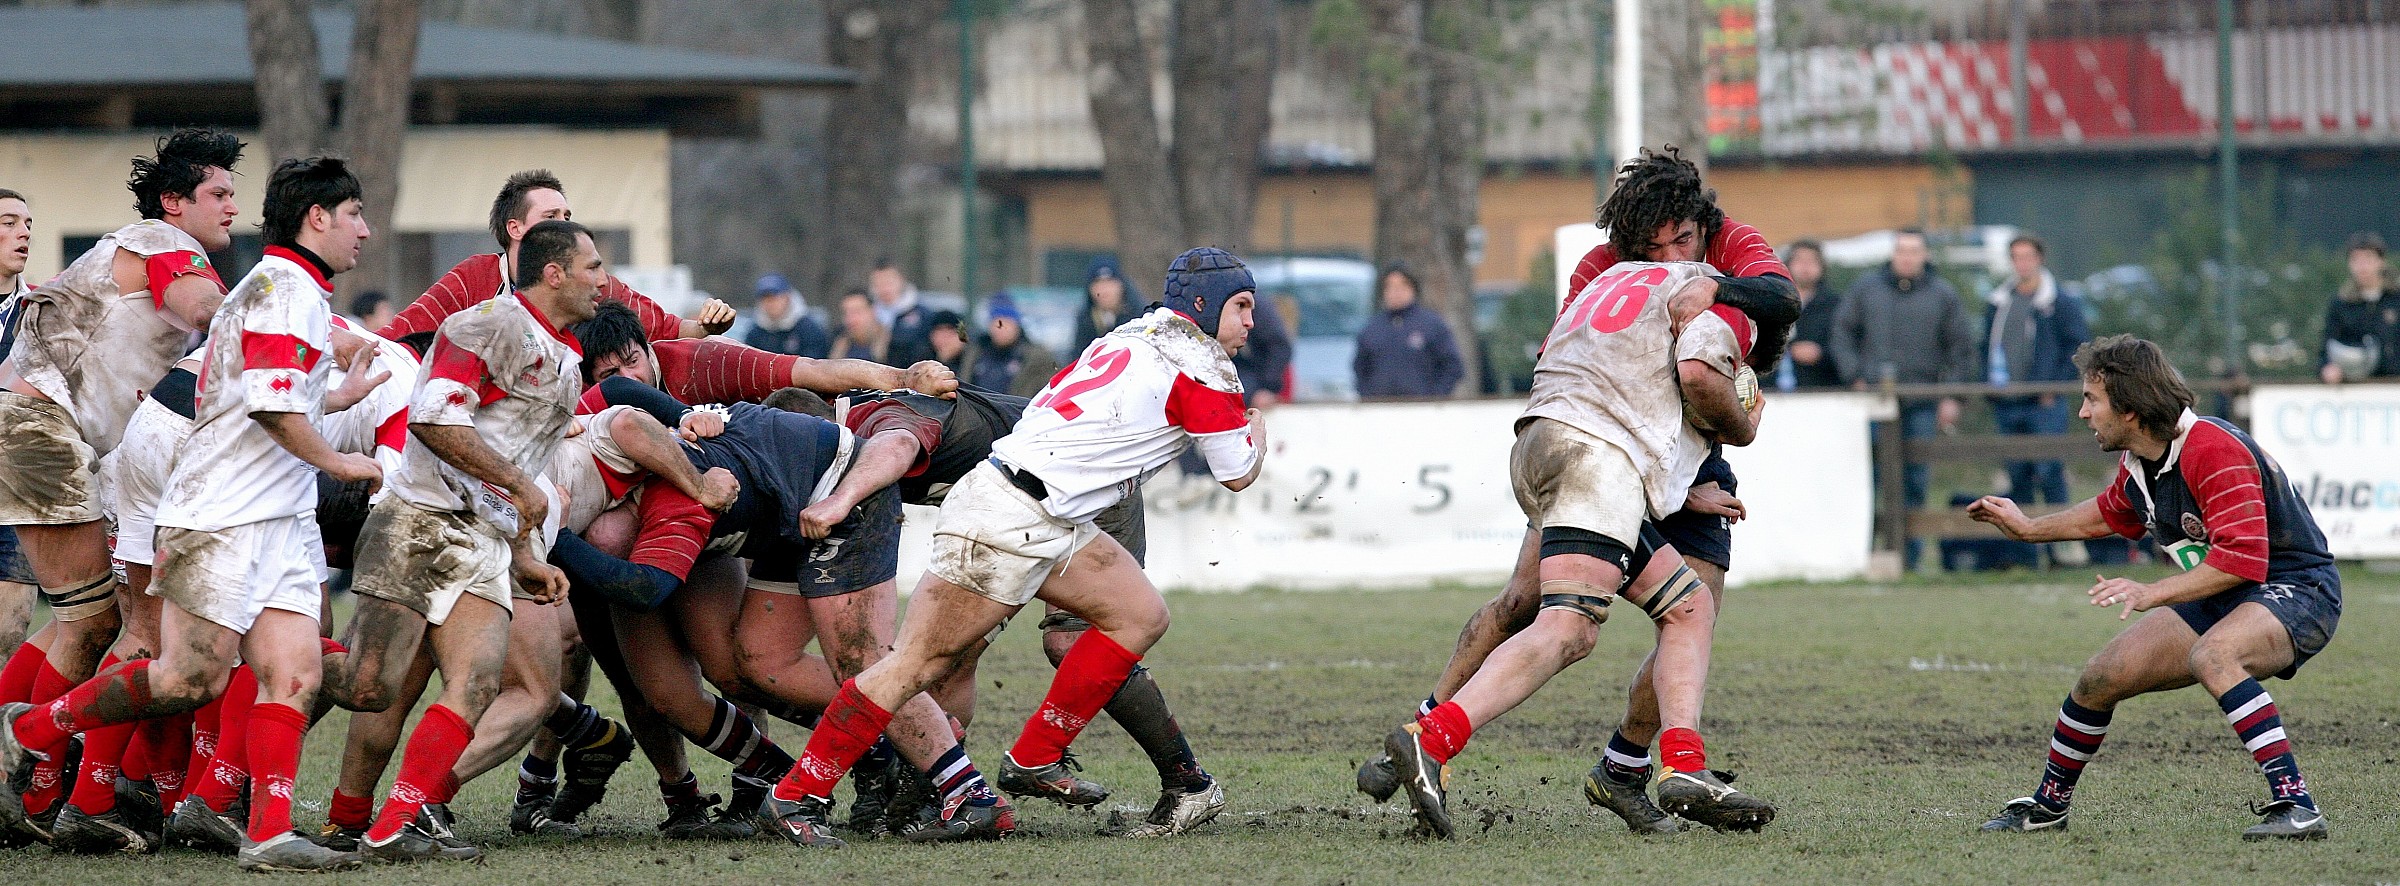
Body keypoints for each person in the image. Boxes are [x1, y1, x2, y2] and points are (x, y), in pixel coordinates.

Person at [760, 246, 1268, 850]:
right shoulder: (1205, 366)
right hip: (1012, 518)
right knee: (911, 667)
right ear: (1204, 305)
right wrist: (1257, 429)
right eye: (1242, 306)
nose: (1251, 321)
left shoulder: (1135, 332)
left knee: (1140, 614)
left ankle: (1035, 756)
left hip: (1042, 509)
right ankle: (796, 794)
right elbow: (1237, 472)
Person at [1368, 147, 1782, 841]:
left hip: (1555, 439)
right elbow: (1700, 378)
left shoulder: (1667, 267)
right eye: (1653, 244)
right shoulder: (1699, 289)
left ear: (1702, 226)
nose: (1671, 256)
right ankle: (1429, 738)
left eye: (1682, 240)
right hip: (1604, 456)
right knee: (1563, 624)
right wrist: (1742, 425)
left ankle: (1671, 765)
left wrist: (1679, 479)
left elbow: (1567, 354)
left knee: (1688, 607)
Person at [0, 157, 381, 871]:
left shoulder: (288, 292)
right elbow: (269, 407)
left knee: (294, 674)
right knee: (183, 676)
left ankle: (269, 833)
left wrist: (333, 398)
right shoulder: (279, 290)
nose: (365, 230)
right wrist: (341, 462)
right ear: (318, 218)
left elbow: (246, 388)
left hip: (276, 517)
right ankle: (34, 731)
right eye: (355, 214)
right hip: (220, 516)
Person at [1969, 335, 2340, 842]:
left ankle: (2298, 805)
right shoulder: (2141, 460)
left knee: (2214, 656)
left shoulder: (2212, 449)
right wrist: (2030, 528)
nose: (2082, 412)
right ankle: (2049, 807)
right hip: (2225, 590)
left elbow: (2242, 561)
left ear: (2130, 408)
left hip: (2296, 588)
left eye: (2092, 400)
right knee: (2101, 677)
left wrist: (2153, 592)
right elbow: (2107, 513)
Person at [318, 219, 600, 862]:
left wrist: (523, 552)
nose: (603, 281)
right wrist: (519, 491)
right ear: (553, 273)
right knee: (371, 686)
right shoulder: (485, 325)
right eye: (594, 267)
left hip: (485, 543)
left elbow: (519, 468)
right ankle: (281, 664)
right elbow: (434, 420)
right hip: (418, 522)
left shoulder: (565, 359)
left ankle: (396, 825)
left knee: (475, 684)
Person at [0, 130, 244, 845]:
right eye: (218, 194)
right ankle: (40, 794)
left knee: (89, 621)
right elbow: (209, 311)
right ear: (174, 202)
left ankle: (56, 789)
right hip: (38, 428)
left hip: (51, 435)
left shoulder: (141, 246)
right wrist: (296, 321)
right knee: (95, 624)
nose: (233, 207)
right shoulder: (162, 241)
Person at [376, 169, 735, 344]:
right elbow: (398, 336)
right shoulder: (474, 277)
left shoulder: (592, 279)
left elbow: (669, 331)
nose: (564, 225)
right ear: (515, 228)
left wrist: (707, 326)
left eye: (567, 216)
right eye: (551, 217)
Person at [1830, 228, 1976, 568]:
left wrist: (1952, 396)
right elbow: (1842, 333)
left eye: (1914, 250)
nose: (1907, 257)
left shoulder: (1943, 295)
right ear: (1893, 254)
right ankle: (1865, 555)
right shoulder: (1866, 290)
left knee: (1916, 481)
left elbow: (1962, 349)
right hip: (1872, 402)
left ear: (1925, 255)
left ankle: (1910, 560)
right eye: (1901, 250)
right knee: (1867, 480)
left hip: (1921, 402)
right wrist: (1854, 375)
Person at [1983, 235, 2092, 547]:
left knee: (2050, 471)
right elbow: (1986, 347)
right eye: (2016, 257)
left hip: (2044, 403)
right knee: (2016, 475)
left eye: (2028, 256)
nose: (2022, 263)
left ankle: (2062, 549)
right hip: (2007, 401)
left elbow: (2078, 348)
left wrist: (2054, 387)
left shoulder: (2060, 302)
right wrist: (1989, 386)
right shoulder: (1998, 301)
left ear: (2040, 259)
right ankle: (2024, 551)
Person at [0, 189, 35, 662]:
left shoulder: (40, 311)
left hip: (18, 485)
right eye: (9, 223)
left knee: (10, 630)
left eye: (28, 224)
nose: (23, 233)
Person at [1353, 263, 1465, 398]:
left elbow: (1452, 366)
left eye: (1401, 286)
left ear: (1413, 289)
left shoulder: (1431, 325)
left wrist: (1436, 397)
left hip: (1421, 406)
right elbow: (1360, 368)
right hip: (1380, 406)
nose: (1395, 292)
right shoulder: (1372, 328)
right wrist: (1367, 396)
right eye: (1390, 287)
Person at [2318, 232, 2398, 382]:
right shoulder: (2341, 303)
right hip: (2355, 388)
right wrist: (2328, 368)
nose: (2362, 266)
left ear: (2381, 261)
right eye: (2356, 259)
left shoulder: (2395, 299)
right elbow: (2327, 348)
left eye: (2368, 258)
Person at [1776, 239, 1842, 390]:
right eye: (1799, 260)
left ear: (1822, 266)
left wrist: (1821, 353)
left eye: (1812, 261)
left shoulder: (1836, 304)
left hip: (1822, 387)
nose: (1805, 266)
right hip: (1774, 389)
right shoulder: (1772, 301)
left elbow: (1846, 343)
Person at [968, 294, 1059, 399]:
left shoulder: (1037, 358)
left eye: (1007, 323)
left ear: (1017, 325)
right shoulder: (976, 354)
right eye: (996, 323)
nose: (1001, 329)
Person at [743, 273, 831, 359]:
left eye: (774, 298)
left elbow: (815, 361)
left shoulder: (808, 330)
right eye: (765, 299)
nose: (770, 304)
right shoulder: (755, 332)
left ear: (787, 297)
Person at [1071, 258, 1143, 359]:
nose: (1105, 290)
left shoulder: (1140, 317)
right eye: (1098, 283)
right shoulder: (1086, 321)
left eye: (1110, 282)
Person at [869, 259, 935, 367]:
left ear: (901, 280)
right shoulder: (868, 314)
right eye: (878, 284)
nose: (884, 289)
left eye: (888, 282)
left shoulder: (923, 315)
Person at [832, 289, 889, 364]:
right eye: (846, 313)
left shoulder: (894, 345)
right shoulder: (839, 346)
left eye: (857, 311)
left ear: (873, 311)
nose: (851, 319)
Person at [927, 309, 970, 377]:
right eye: (940, 334)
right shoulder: (923, 359)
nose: (945, 340)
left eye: (950, 334)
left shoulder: (975, 362)